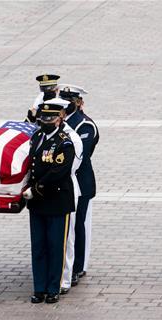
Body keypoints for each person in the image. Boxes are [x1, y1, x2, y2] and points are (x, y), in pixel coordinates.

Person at [22, 99, 82, 304]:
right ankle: (39, 288)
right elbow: (32, 164)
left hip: (56, 200)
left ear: (59, 119)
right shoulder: (37, 137)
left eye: (50, 118)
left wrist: (35, 189)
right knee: (39, 246)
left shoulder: (65, 142)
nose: (46, 121)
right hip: (37, 203)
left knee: (56, 246)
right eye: (43, 118)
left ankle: (53, 288)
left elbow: (58, 172)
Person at [59, 85, 99, 292]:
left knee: (77, 225)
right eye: (63, 99)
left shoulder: (85, 125)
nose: (66, 103)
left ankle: (77, 267)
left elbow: (82, 154)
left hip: (80, 182)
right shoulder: (59, 120)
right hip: (61, 184)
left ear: (80, 102)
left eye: (71, 100)